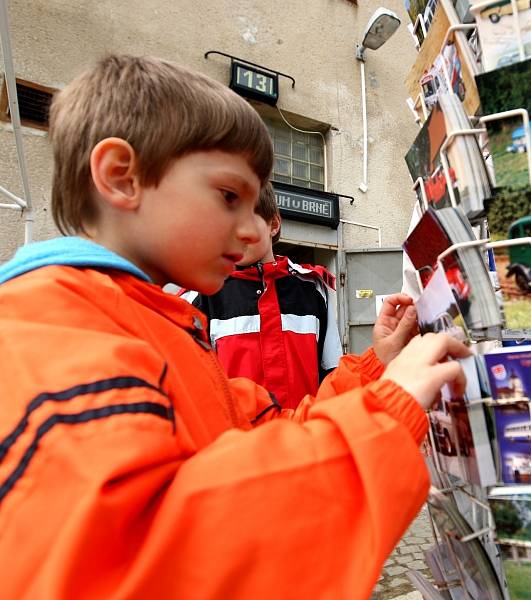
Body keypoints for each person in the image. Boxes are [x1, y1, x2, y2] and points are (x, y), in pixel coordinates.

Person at [0, 55, 469, 598]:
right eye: (229, 196)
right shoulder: (55, 330)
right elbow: (148, 562)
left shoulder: (159, 324)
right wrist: (388, 410)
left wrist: (378, 370)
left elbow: (269, 432)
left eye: (256, 207)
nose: (252, 230)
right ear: (120, 176)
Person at [186, 185, 342, 410]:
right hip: (239, 442)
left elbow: (332, 374)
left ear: (274, 224)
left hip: (304, 437)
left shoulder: (311, 289)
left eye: (245, 222)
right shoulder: (204, 293)